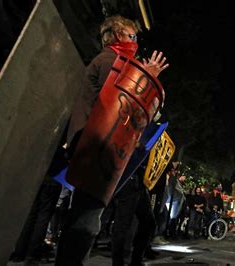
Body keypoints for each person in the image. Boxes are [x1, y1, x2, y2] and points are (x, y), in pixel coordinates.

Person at [55, 15, 169, 265]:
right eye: (132, 36)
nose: (136, 43)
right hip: (96, 145)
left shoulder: (114, 61)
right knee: (86, 221)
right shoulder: (111, 61)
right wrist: (145, 75)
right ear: (116, 35)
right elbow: (121, 102)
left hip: (95, 145)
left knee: (84, 216)